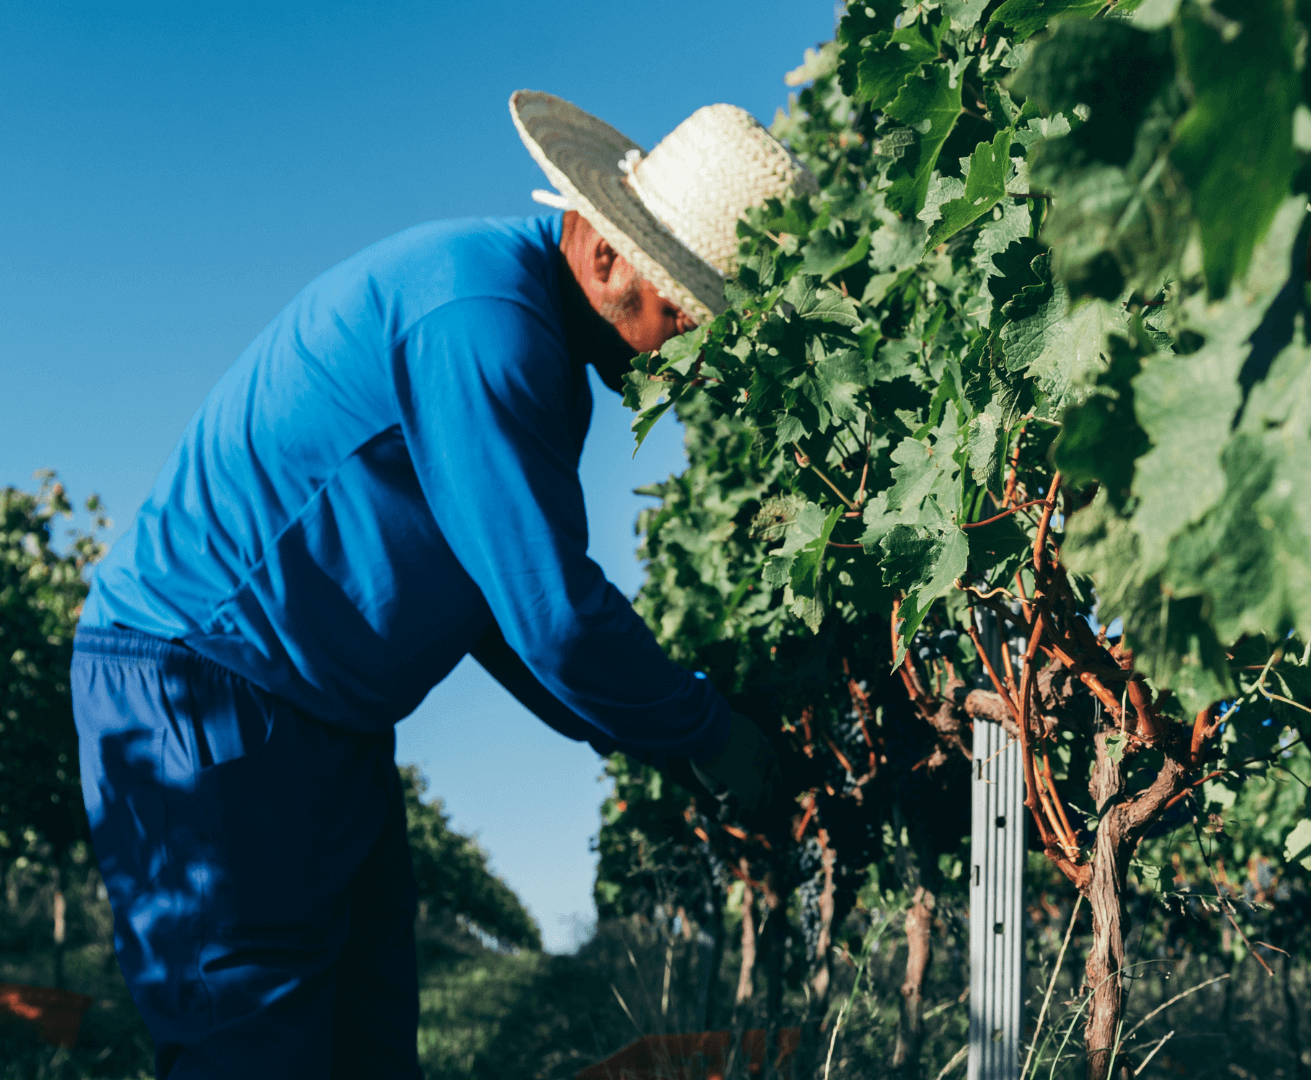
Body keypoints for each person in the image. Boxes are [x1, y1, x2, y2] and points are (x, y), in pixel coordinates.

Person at [68, 92, 808, 1079]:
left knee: (366, 1043)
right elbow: (551, 619)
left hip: (321, 712)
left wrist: (653, 740)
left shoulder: (527, 335)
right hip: (201, 686)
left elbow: (497, 605)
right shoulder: (485, 323)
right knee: (252, 1043)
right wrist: (715, 738)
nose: (679, 341)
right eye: (678, 309)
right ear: (603, 257)